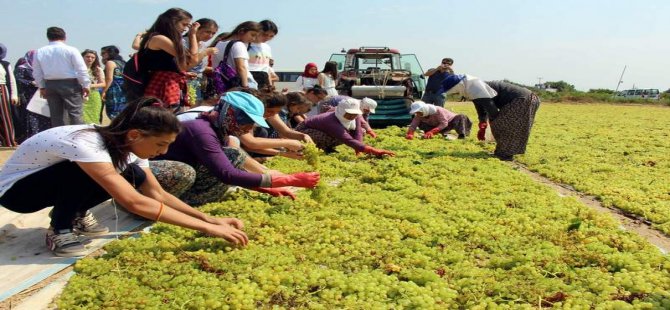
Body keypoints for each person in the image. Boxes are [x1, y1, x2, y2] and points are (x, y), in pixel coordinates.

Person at [0, 97, 249, 257]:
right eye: (160, 145)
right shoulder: (88, 144)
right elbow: (134, 202)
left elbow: (157, 194)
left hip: (48, 185)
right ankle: (60, 229)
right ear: (134, 135)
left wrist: (209, 218)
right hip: (17, 194)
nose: (163, 152)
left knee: (130, 173)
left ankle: (73, 213)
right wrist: (205, 228)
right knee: (84, 171)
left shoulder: (128, 147)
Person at [153, 91, 320, 205]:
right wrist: (289, 180)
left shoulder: (220, 130)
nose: (250, 127)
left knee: (233, 155)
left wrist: (267, 188)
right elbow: (227, 175)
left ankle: (188, 199)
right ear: (230, 114)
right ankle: (173, 203)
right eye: (246, 121)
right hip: (157, 176)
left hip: (184, 173)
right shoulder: (201, 131)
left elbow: (227, 165)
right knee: (184, 172)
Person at [441, 74, 541, 161]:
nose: (455, 94)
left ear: (458, 87)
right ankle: (504, 152)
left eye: (455, 92)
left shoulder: (474, 87)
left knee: (502, 125)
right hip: (522, 100)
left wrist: (492, 121)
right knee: (502, 124)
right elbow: (480, 105)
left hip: (522, 100)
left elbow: (490, 107)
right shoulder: (471, 88)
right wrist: (482, 123)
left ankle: (505, 154)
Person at [133, 8, 199, 111]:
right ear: (172, 22)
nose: (185, 29)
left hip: (165, 83)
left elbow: (180, 65)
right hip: (162, 85)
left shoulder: (161, 38)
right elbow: (191, 60)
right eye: (184, 24)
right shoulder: (159, 39)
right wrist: (193, 36)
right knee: (163, 119)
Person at [295, 97, 395, 157]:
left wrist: (358, 149)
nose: (352, 116)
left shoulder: (355, 117)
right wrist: (374, 150)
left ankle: (327, 148)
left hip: (322, 130)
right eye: (349, 114)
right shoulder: (331, 120)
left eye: (354, 114)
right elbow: (347, 140)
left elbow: (358, 131)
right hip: (302, 131)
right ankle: (310, 148)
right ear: (341, 111)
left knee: (356, 133)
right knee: (335, 136)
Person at [32, 27, 91, 127]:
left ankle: (59, 139)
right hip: (70, 84)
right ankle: (77, 138)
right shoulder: (71, 50)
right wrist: (86, 84)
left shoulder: (40, 51)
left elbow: (37, 72)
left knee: (56, 116)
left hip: (50, 84)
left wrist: (41, 87)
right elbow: (81, 69)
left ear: (48, 37)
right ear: (65, 37)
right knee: (75, 114)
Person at [211, 21, 262, 91]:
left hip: (223, 83)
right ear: (241, 31)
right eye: (252, 35)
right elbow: (241, 67)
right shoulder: (239, 45)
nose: (253, 39)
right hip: (242, 83)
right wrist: (245, 87)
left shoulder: (219, 44)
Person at [14, 50, 52, 140]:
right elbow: (18, 80)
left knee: (43, 115)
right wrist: (31, 83)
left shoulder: (42, 69)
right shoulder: (21, 68)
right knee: (30, 116)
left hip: (41, 95)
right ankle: (30, 137)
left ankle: (42, 136)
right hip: (28, 96)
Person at [184, 18, 219, 105]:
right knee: (188, 108)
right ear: (196, 29)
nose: (210, 36)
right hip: (186, 81)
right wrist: (205, 53)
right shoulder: (183, 42)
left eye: (213, 33)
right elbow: (188, 65)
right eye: (207, 32)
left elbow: (200, 67)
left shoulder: (203, 44)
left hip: (199, 81)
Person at [405, 101, 472, 140]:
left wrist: (432, 131)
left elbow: (444, 123)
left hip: (450, 122)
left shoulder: (437, 110)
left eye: (419, 112)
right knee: (421, 124)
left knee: (461, 117)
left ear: (424, 109)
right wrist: (410, 133)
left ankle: (462, 135)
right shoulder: (419, 115)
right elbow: (413, 125)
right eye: (416, 112)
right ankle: (430, 134)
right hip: (436, 126)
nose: (418, 114)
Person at [248, 20, 278, 91]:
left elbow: (266, 68)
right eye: (265, 34)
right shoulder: (246, 45)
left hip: (264, 79)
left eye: (271, 36)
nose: (267, 38)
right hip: (249, 77)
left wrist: (270, 85)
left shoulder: (267, 47)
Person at [100, 45, 127, 120]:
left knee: (113, 112)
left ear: (109, 53)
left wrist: (104, 91)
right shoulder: (124, 62)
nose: (101, 55)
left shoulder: (110, 63)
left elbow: (109, 79)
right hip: (124, 90)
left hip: (114, 90)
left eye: (103, 53)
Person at [0, 43, 19, 147]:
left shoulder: (5, 64)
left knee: (6, 117)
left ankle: (9, 141)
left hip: (2, 90)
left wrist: (14, 95)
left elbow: (12, 80)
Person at [81, 50, 105, 124]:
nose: (90, 59)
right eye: (87, 57)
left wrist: (89, 85)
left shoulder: (98, 70)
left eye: (92, 57)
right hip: (80, 96)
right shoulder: (76, 69)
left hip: (94, 96)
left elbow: (103, 84)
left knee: (94, 118)